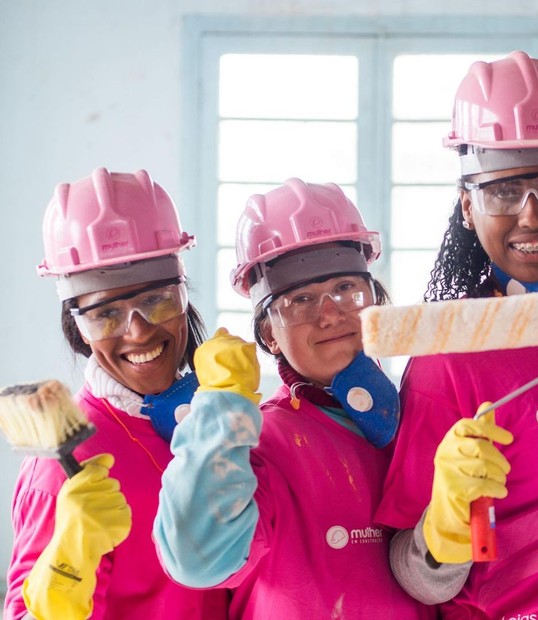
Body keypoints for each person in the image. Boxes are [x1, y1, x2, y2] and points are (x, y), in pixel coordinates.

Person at [375, 51, 538, 616]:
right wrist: (443, 528)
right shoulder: (447, 360)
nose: (531, 216)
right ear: (467, 205)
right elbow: (417, 581)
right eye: (503, 192)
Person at [153, 178, 439, 618]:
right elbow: (199, 561)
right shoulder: (259, 442)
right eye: (300, 300)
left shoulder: (418, 418)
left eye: (346, 288)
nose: (330, 314)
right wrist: (219, 414)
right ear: (269, 334)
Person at [4, 168, 229, 619]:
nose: (138, 331)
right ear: (79, 330)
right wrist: (67, 566)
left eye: (157, 300)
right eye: (106, 314)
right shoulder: (66, 466)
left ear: (185, 295)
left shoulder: (215, 421)